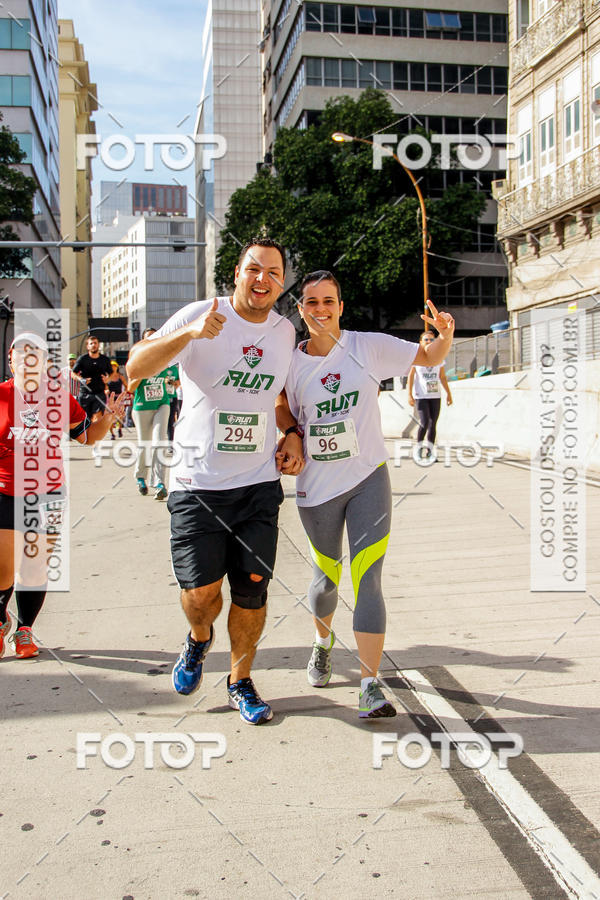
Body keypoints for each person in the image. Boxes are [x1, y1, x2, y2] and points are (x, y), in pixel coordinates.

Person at [127, 237, 304, 724]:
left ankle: (240, 680)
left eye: (272, 271)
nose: (262, 279)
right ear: (237, 272)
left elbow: (282, 396)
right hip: (195, 485)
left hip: (256, 485)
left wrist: (291, 432)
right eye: (253, 269)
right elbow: (134, 368)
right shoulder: (201, 312)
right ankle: (199, 639)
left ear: (282, 281)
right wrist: (189, 336)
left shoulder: (285, 333)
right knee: (202, 596)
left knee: (252, 590)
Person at [281, 272, 454, 718]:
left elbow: (428, 356)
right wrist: (292, 434)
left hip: (368, 480)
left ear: (341, 306)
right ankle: (322, 642)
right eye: (312, 302)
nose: (321, 309)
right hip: (316, 488)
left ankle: (370, 684)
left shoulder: (367, 347)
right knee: (326, 580)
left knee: (368, 578)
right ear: (301, 310)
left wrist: (445, 335)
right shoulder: (289, 361)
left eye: (329, 301)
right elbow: (280, 403)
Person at [0, 333, 127, 659]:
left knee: (35, 567)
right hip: (6, 491)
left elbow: (86, 437)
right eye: (20, 354)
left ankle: (25, 630)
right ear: (11, 360)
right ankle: (2, 618)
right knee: (3, 568)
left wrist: (107, 418)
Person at [127, 329, 176, 499]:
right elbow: (130, 388)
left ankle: (160, 483)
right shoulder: (137, 360)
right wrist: (143, 373)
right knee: (145, 444)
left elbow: (174, 380)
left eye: (155, 338)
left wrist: (170, 383)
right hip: (142, 408)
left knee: (159, 442)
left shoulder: (165, 359)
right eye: (148, 339)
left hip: (162, 404)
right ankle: (141, 477)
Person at [407, 331, 453, 457]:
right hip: (421, 396)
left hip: (435, 395)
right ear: (421, 342)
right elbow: (411, 377)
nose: (429, 342)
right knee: (424, 422)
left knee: (433, 424)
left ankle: (430, 451)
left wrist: (449, 394)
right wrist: (409, 395)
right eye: (426, 339)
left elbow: (442, 377)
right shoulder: (416, 359)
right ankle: (419, 448)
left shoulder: (439, 359)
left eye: (432, 340)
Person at [73, 335, 113, 421]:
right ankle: (86, 434)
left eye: (95, 343)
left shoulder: (104, 359)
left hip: (99, 393)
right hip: (85, 393)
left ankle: (95, 433)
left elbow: (112, 373)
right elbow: (73, 373)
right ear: (87, 346)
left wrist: (108, 379)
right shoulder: (82, 359)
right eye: (91, 343)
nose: (93, 345)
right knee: (85, 420)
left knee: (97, 419)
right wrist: (81, 379)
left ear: (98, 345)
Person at [106, 360, 128, 440]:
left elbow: (126, 385)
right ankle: (112, 434)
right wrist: (106, 391)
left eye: (114, 366)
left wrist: (126, 392)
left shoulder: (120, 376)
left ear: (117, 367)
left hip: (119, 398)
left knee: (120, 415)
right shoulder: (107, 377)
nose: (113, 367)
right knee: (110, 417)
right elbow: (104, 386)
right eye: (111, 366)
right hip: (110, 399)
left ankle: (119, 429)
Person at [166, 364, 181, 442]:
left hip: (172, 396)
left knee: (171, 420)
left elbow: (178, 383)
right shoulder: (160, 367)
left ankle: (170, 442)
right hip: (161, 398)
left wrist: (169, 382)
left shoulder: (174, 369)